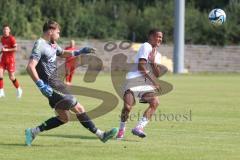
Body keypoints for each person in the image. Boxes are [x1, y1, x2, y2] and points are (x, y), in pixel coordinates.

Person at [25, 20, 118, 146]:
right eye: (58, 32)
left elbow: (62, 53)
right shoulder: (40, 45)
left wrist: (80, 51)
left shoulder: (51, 44)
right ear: (50, 31)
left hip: (56, 83)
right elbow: (30, 67)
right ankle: (101, 135)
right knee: (78, 107)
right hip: (51, 85)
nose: (59, 35)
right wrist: (41, 85)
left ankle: (32, 132)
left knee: (64, 118)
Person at [116, 28, 163, 139]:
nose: (160, 39)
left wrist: (153, 62)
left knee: (155, 102)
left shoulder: (158, 54)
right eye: (158, 36)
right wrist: (154, 82)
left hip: (144, 83)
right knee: (127, 107)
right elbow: (141, 67)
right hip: (132, 80)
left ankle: (139, 128)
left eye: (161, 37)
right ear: (151, 36)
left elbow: (157, 73)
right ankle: (121, 129)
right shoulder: (146, 46)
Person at [0, 24, 22, 98]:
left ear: (9, 30)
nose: (5, 30)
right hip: (3, 59)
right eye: (4, 29)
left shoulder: (12, 38)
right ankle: (1, 91)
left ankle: (19, 89)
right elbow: (3, 49)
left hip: (10, 60)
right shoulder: (2, 38)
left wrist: (7, 50)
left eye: (7, 29)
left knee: (11, 77)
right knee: (0, 74)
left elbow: (15, 49)